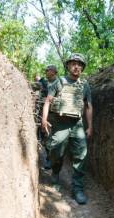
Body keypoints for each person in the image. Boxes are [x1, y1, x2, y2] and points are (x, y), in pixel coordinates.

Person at [41, 53, 93, 205]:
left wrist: (90, 126)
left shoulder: (85, 85)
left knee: (81, 155)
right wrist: (44, 120)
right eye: (73, 63)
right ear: (68, 66)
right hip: (60, 123)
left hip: (77, 124)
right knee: (56, 150)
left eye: (79, 64)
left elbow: (88, 106)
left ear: (82, 68)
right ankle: (56, 173)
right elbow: (48, 101)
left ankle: (77, 189)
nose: (76, 66)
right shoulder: (59, 82)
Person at [38, 65, 59, 169]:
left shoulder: (59, 83)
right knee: (46, 137)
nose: (46, 72)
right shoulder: (45, 82)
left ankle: (51, 161)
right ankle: (48, 158)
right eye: (45, 70)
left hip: (56, 115)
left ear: (54, 71)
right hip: (46, 113)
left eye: (48, 70)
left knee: (53, 138)